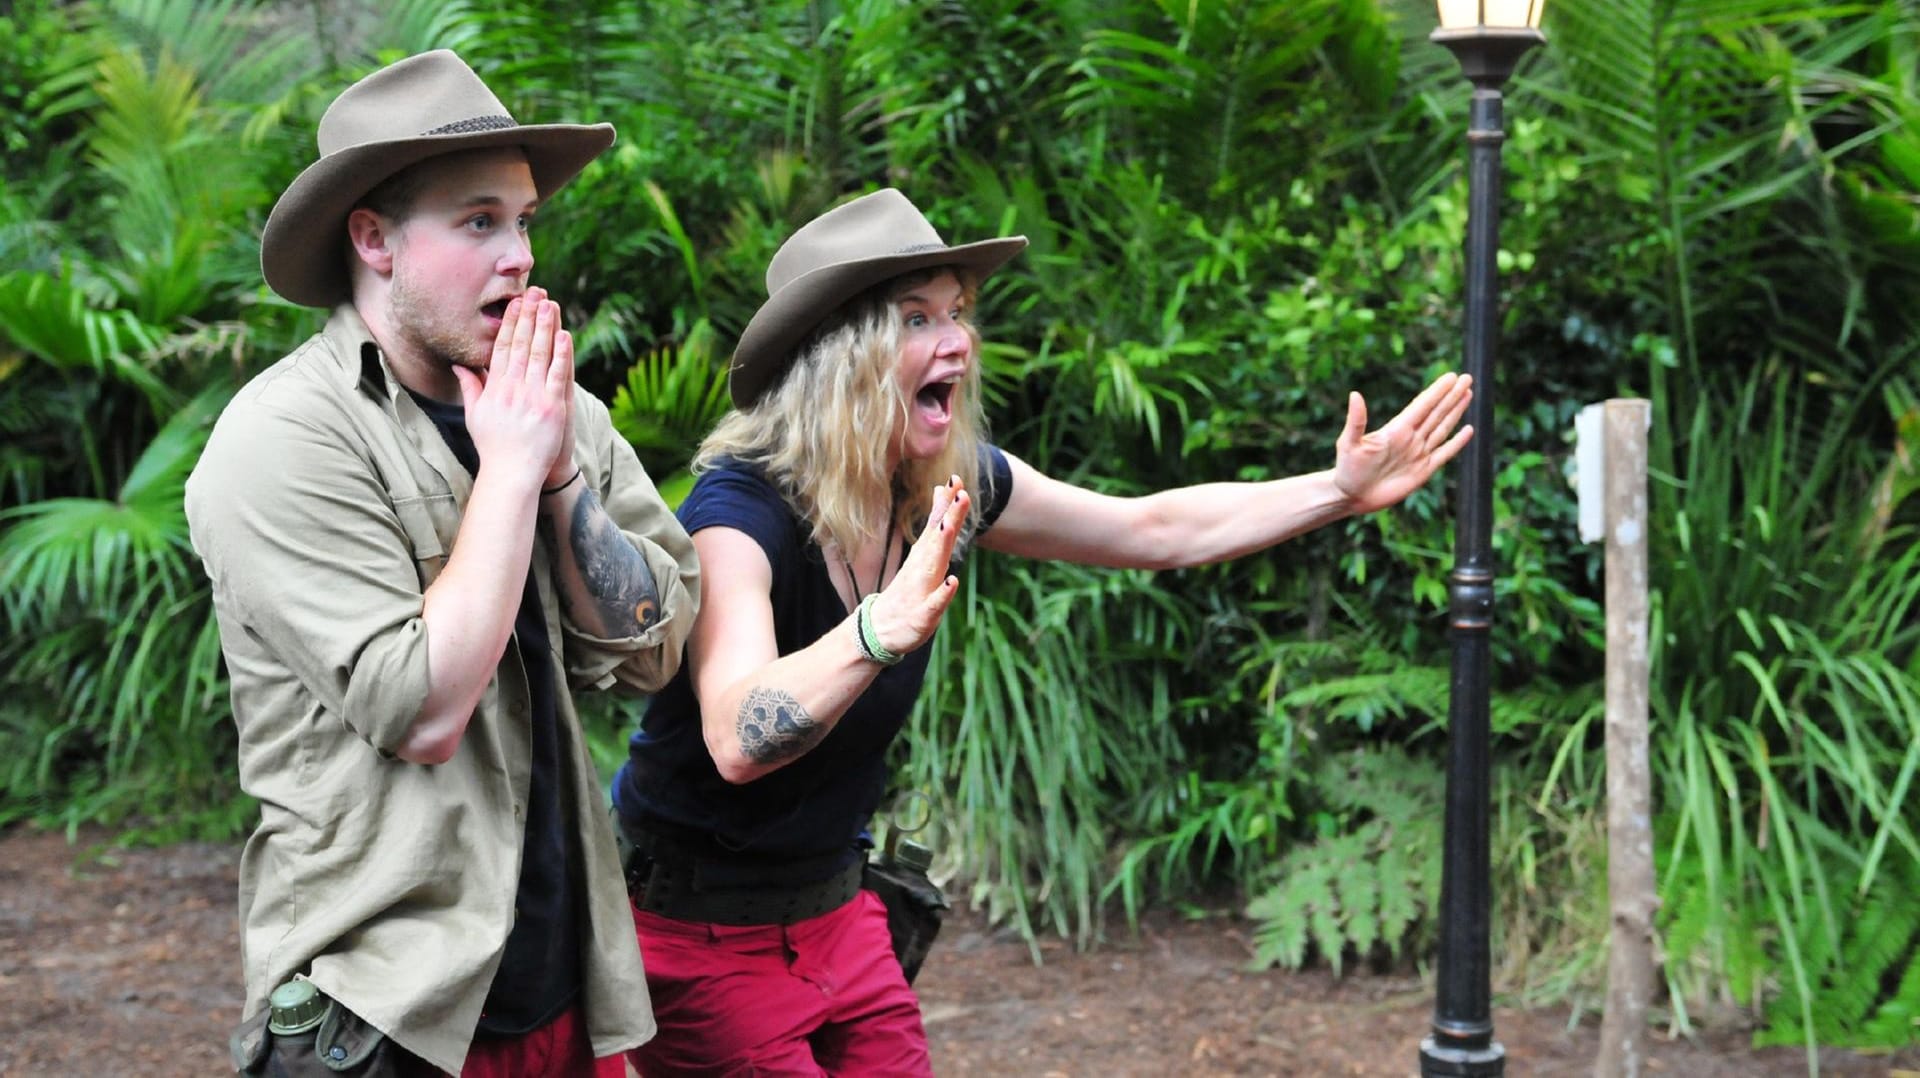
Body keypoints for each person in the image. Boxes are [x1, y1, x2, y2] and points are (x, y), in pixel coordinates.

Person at [607, 187, 1474, 1075]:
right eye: (916, 318)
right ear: (836, 355)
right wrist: (875, 631)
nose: (958, 340)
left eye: (956, 312)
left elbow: (1152, 531)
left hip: (836, 911)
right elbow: (736, 736)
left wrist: (1338, 490)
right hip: (700, 929)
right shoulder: (737, 515)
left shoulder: (941, 485)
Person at [184, 50, 699, 1077]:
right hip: (383, 1016)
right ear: (372, 238)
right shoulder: (283, 438)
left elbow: (657, 649)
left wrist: (559, 480)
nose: (518, 256)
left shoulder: (559, 413)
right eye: (478, 222)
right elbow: (420, 711)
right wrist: (512, 474)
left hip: (565, 988)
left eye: (522, 222)